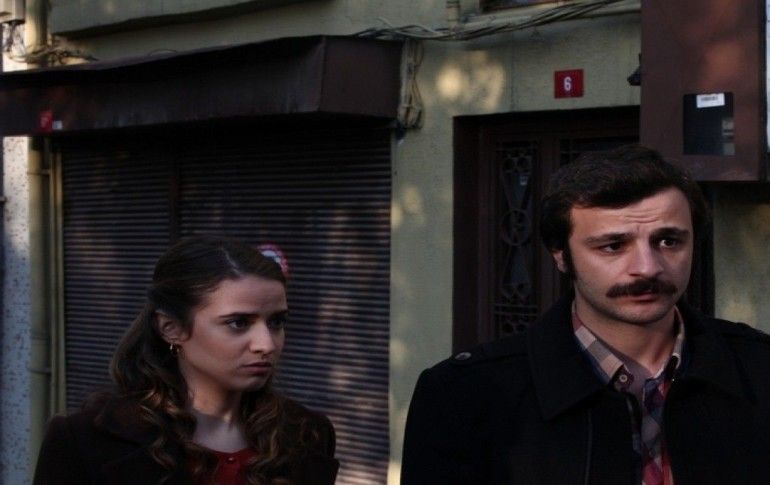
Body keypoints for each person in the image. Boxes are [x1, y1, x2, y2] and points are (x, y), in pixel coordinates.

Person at [401, 145, 770, 484]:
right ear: (560, 255)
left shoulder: (759, 368)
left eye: (668, 241)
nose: (647, 267)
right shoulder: (463, 397)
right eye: (613, 245)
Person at [34, 235, 339, 485]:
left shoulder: (308, 433)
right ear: (171, 328)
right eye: (238, 323)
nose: (266, 344)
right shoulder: (84, 439)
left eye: (276, 322)